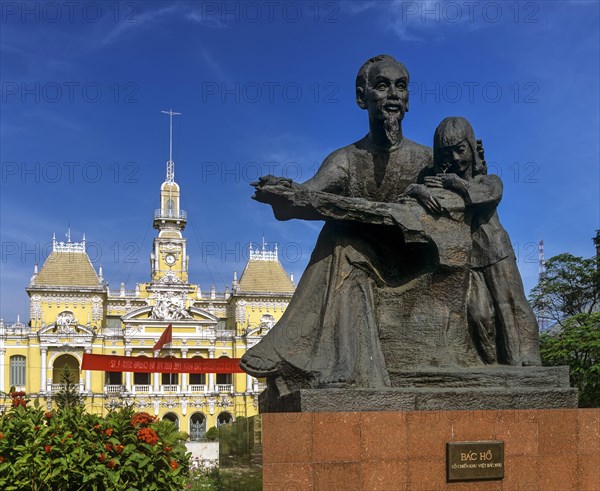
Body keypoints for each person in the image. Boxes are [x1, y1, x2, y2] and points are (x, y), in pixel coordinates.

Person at [240, 55, 442, 394]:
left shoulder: (427, 161)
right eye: (382, 86)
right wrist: (286, 195)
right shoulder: (346, 159)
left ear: (407, 100)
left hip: (416, 261)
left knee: (343, 238)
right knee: (342, 238)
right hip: (365, 261)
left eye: (401, 87)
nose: (393, 94)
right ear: (362, 98)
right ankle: (342, 366)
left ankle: (289, 349)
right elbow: (310, 194)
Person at [425, 116, 540, 366]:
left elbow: (486, 195)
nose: (455, 158)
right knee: (479, 314)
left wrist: (454, 183)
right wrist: (420, 190)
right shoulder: (443, 185)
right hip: (467, 258)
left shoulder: (488, 181)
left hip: (497, 252)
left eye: (460, 149)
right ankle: (490, 362)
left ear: (471, 148)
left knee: (511, 304)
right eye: (448, 153)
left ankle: (527, 359)